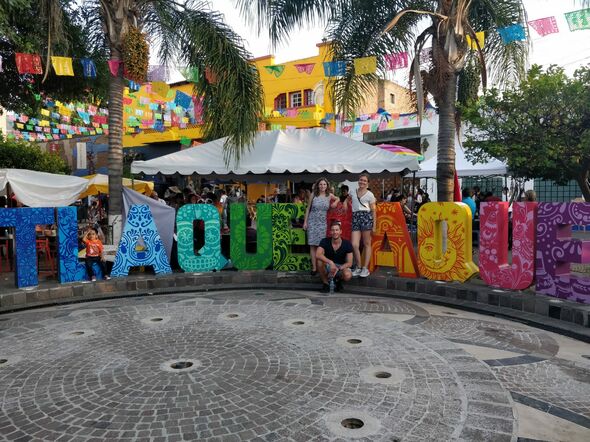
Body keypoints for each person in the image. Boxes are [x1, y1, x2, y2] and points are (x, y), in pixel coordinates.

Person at [303, 177, 338, 276]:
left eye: (324, 184)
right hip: (312, 221)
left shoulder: (329, 195)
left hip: (323, 223)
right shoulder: (313, 195)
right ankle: (314, 268)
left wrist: (335, 202)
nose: (322, 186)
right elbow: (308, 209)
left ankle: (321, 267)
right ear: (318, 185)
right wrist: (305, 222)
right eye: (321, 184)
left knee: (321, 246)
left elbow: (338, 198)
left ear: (327, 186)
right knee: (312, 245)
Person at [316, 221, 353, 293]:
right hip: (328, 265)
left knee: (348, 275)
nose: (335, 232)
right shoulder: (324, 241)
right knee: (319, 261)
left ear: (340, 231)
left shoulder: (347, 243)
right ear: (330, 232)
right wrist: (330, 262)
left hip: (340, 266)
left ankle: (338, 281)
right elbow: (318, 254)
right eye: (333, 230)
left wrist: (338, 268)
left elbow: (349, 263)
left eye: (337, 230)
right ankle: (326, 283)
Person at [351, 173, 377, 278]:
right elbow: (349, 199)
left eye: (365, 181)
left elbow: (374, 211)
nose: (362, 182)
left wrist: (374, 225)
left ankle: (365, 268)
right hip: (355, 217)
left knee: (367, 244)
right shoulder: (353, 192)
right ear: (358, 181)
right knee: (354, 244)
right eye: (361, 180)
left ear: (368, 183)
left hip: (366, 217)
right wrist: (344, 203)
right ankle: (358, 266)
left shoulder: (370, 195)